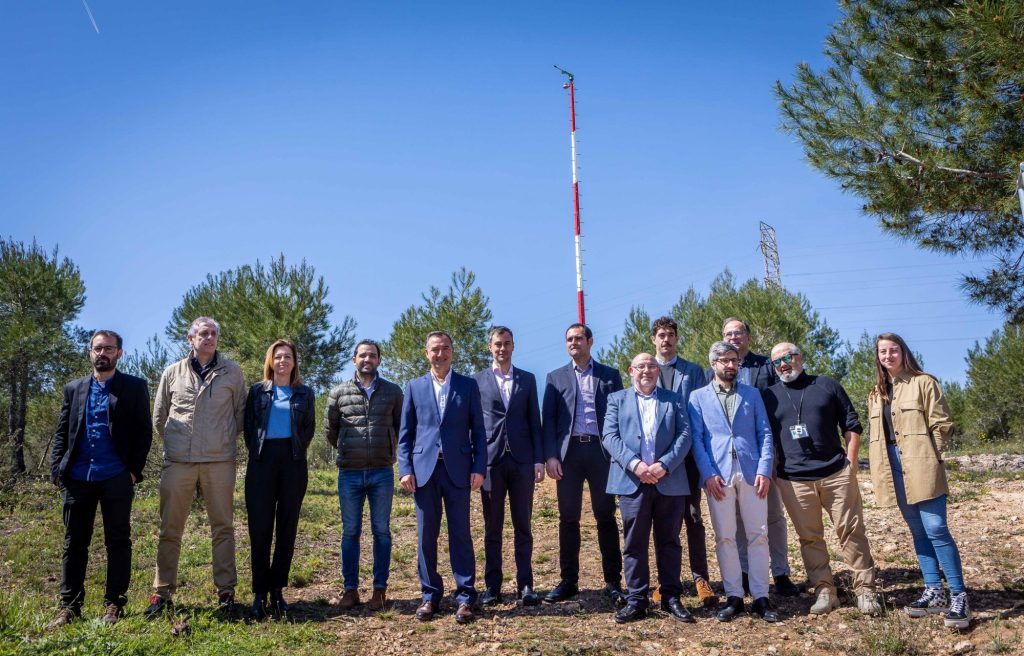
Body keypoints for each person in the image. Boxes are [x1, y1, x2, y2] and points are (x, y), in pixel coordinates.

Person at [762, 343, 881, 616]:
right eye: (777, 361)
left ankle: (865, 589)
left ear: (800, 357)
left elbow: (851, 423)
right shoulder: (768, 396)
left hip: (835, 473)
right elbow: (766, 437)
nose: (783, 364)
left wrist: (851, 462)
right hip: (793, 480)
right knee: (809, 537)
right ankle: (825, 590)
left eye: (788, 357)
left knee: (851, 531)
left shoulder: (827, 385)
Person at [47, 330, 152, 628]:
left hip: (116, 475)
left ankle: (113, 603)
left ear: (119, 353)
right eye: (97, 348)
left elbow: (144, 431)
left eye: (108, 348)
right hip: (78, 476)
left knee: (118, 540)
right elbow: (62, 431)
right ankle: (70, 606)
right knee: (74, 542)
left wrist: (132, 470)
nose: (102, 353)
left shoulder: (134, 387)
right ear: (90, 352)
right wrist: (57, 470)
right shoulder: (74, 388)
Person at [868, 332, 970, 629]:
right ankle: (934, 592)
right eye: (883, 352)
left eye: (893, 350)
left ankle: (959, 595)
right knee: (918, 531)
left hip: (921, 463)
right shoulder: (876, 392)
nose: (888, 356)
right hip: (892, 466)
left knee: (937, 528)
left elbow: (943, 425)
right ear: (878, 357)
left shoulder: (924, 382)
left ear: (904, 352)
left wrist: (931, 455)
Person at [148, 317, 247, 616]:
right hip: (179, 462)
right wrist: (180, 444)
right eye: (203, 333)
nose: (209, 338)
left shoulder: (232, 372)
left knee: (223, 528)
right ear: (190, 338)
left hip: (219, 461)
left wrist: (221, 441)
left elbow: (241, 415)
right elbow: (159, 418)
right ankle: (162, 593)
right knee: (170, 529)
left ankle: (226, 592)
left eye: (214, 333)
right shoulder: (172, 372)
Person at [397, 331, 487, 624]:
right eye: (435, 349)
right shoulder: (414, 387)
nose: (440, 354)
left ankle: (465, 598)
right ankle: (430, 595)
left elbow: (480, 433)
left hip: (459, 470)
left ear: (452, 351)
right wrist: (405, 469)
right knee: (426, 536)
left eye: (445, 348)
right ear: (427, 353)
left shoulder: (468, 385)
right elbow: (405, 435)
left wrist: (479, 467)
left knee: (461, 534)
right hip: (424, 471)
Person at [707, 318, 797, 597]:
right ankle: (744, 574)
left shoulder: (765, 366)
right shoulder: (715, 371)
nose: (734, 337)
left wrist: (773, 456)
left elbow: (776, 409)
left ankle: (780, 573)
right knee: (736, 520)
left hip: (764, 457)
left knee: (772, 517)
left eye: (738, 332)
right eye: (728, 333)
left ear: (747, 336)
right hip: (729, 463)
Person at [690, 341, 778, 623]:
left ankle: (762, 596)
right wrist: (707, 473)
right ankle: (734, 596)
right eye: (725, 360)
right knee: (725, 536)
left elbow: (765, 433)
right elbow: (698, 439)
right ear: (713, 363)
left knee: (758, 534)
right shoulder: (698, 397)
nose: (731, 365)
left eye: (735, 360)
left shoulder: (752, 394)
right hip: (718, 476)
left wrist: (765, 470)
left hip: (752, 473)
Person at [602, 353, 694, 624]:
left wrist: (664, 465)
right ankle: (637, 600)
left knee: (669, 542)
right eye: (641, 366)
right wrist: (635, 465)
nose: (646, 371)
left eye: (652, 366)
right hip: (632, 482)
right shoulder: (616, 400)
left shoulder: (674, 399)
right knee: (634, 543)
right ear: (631, 370)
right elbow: (609, 436)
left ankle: (671, 597)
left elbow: (685, 435)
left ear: (658, 371)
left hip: (669, 480)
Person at [542, 323, 625, 605]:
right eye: (569, 339)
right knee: (568, 518)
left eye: (579, 338)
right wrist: (551, 455)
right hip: (569, 455)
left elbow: (620, 418)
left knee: (606, 516)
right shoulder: (555, 378)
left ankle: (613, 581)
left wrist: (618, 455)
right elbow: (549, 420)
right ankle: (569, 580)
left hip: (602, 454)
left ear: (590, 341)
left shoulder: (610, 376)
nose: (574, 343)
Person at [326, 339, 403, 612]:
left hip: (382, 471)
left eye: (372, 355)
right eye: (362, 355)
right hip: (350, 473)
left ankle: (379, 590)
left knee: (381, 531)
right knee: (350, 532)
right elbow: (330, 431)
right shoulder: (338, 393)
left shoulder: (393, 392)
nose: (367, 359)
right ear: (353, 359)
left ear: (379, 360)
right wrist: (350, 449)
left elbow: (401, 427)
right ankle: (350, 590)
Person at [243, 339, 315, 618]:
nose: (283, 361)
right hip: (262, 462)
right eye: (278, 356)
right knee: (260, 529)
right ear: (270, 362)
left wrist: (291, 450)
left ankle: (277, 590)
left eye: (288, 356)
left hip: (293, 462)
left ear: (295, 362)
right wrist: (261, 452)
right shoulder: (257, 392)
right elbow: (249, 427)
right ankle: (259, 593)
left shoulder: (304, 394)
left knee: (287, 529)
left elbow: (308, 429)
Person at [474, 326, 544, 607]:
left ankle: (525, 584)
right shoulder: (477, 381)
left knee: (523, 526)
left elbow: (534, 422)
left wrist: (538, 458)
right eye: (497, 344)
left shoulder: (527, 380)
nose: (502, 348)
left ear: (514, 346)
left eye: (507, 344)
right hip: (491, 462)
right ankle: (492, 587)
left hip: (522, 461)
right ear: (490, 347)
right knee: (492, 528)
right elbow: (474, 426)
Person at [650, 316, 717, 607]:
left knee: (692, 516)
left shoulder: (692, 371)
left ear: (677, 338)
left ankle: (701, 577)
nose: (666, 339)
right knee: (663, 520)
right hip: (656, 459)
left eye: (670, 335)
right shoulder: (646, 369)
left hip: (687, 456)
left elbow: (702, 411)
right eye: (661, 335)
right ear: (654, 339)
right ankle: (665, 581)